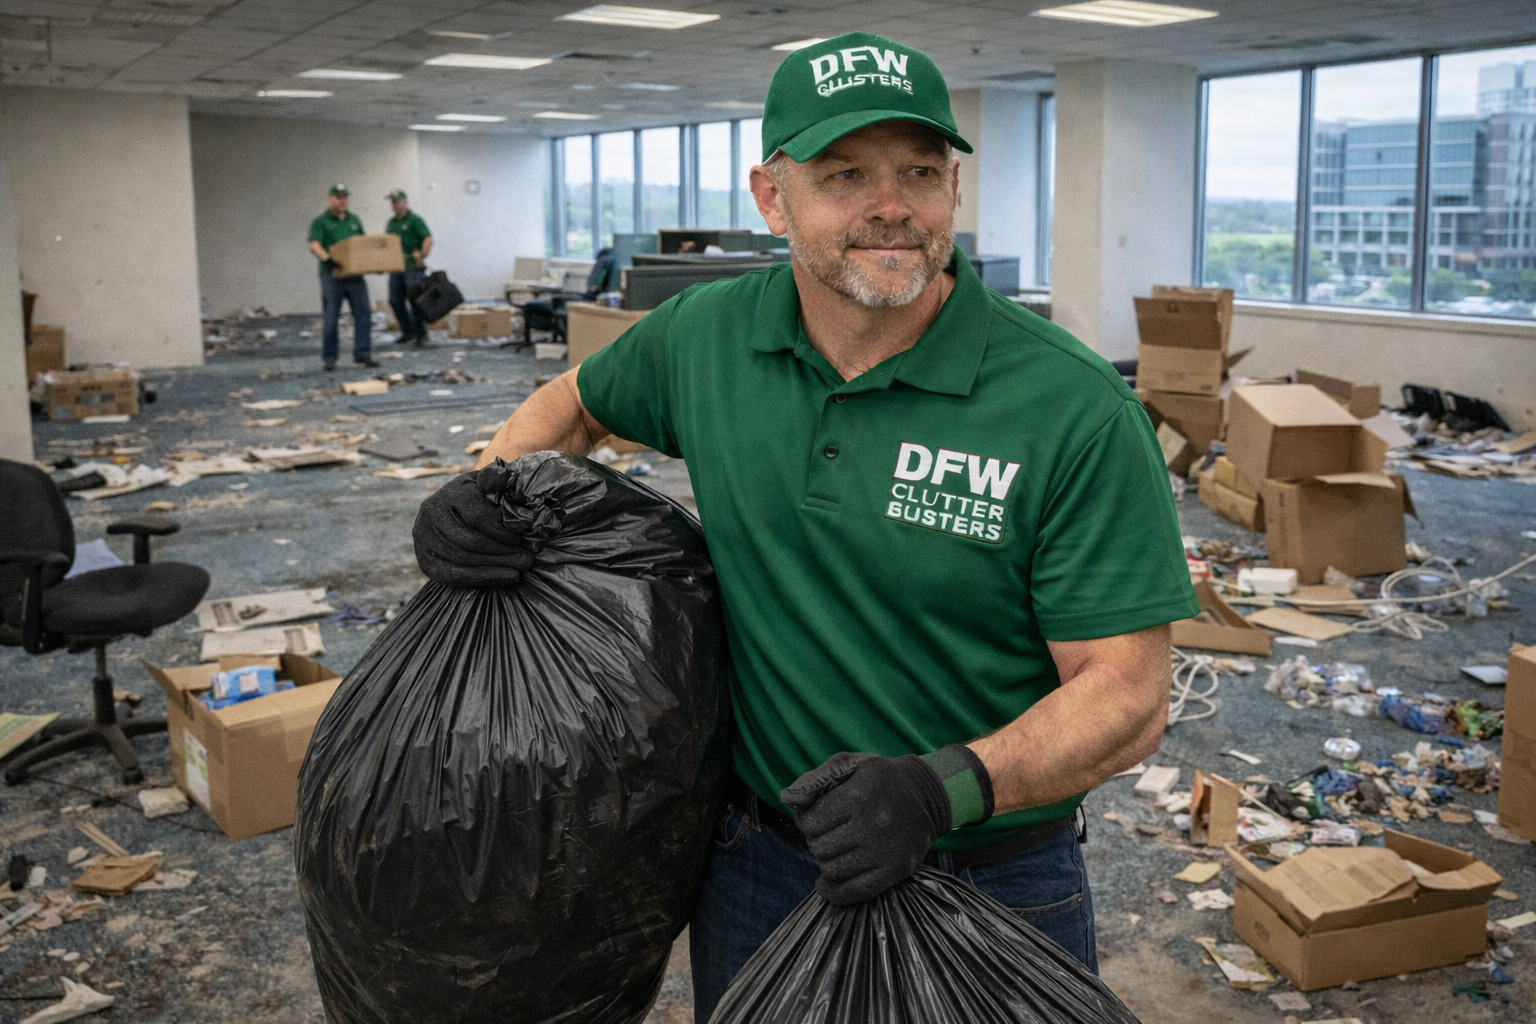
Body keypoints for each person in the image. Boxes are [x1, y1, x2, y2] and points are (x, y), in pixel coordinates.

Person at [415, 31, 1198, 1023]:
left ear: (953, 187)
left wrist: (939, 790)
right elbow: (573, 403)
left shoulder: (1069, 406)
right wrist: (488, 492)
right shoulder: (708, 335)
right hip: (760, 863)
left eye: (920, 170)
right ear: (771, 196)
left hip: (988, 870)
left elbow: (1126, 694)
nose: (891, 205)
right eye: (844, 175)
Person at [307, 184, 376, 370]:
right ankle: (330, 358)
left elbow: (363, 245)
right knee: (331, 317)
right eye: (338, 197)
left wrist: (373, 264)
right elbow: (314, 245)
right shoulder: (321, 222)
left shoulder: (354, 220)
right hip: (332, 276)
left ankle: (363, 353)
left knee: (363, 314)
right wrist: (328, 260)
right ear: (330, 199)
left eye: (345, 197)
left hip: (355, 276)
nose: (342, 200)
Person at [384, 189, 433, 346]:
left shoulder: (414, 220)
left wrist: (423, 254)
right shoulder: (391, 223)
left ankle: (421, 334)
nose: (395, 205)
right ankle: (407, 331)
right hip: (396, 267)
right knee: (395, 300)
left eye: (397, 201)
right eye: (392, 202)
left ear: (405, 202)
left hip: (413, 266)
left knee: (415, 300)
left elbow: (427, 237)